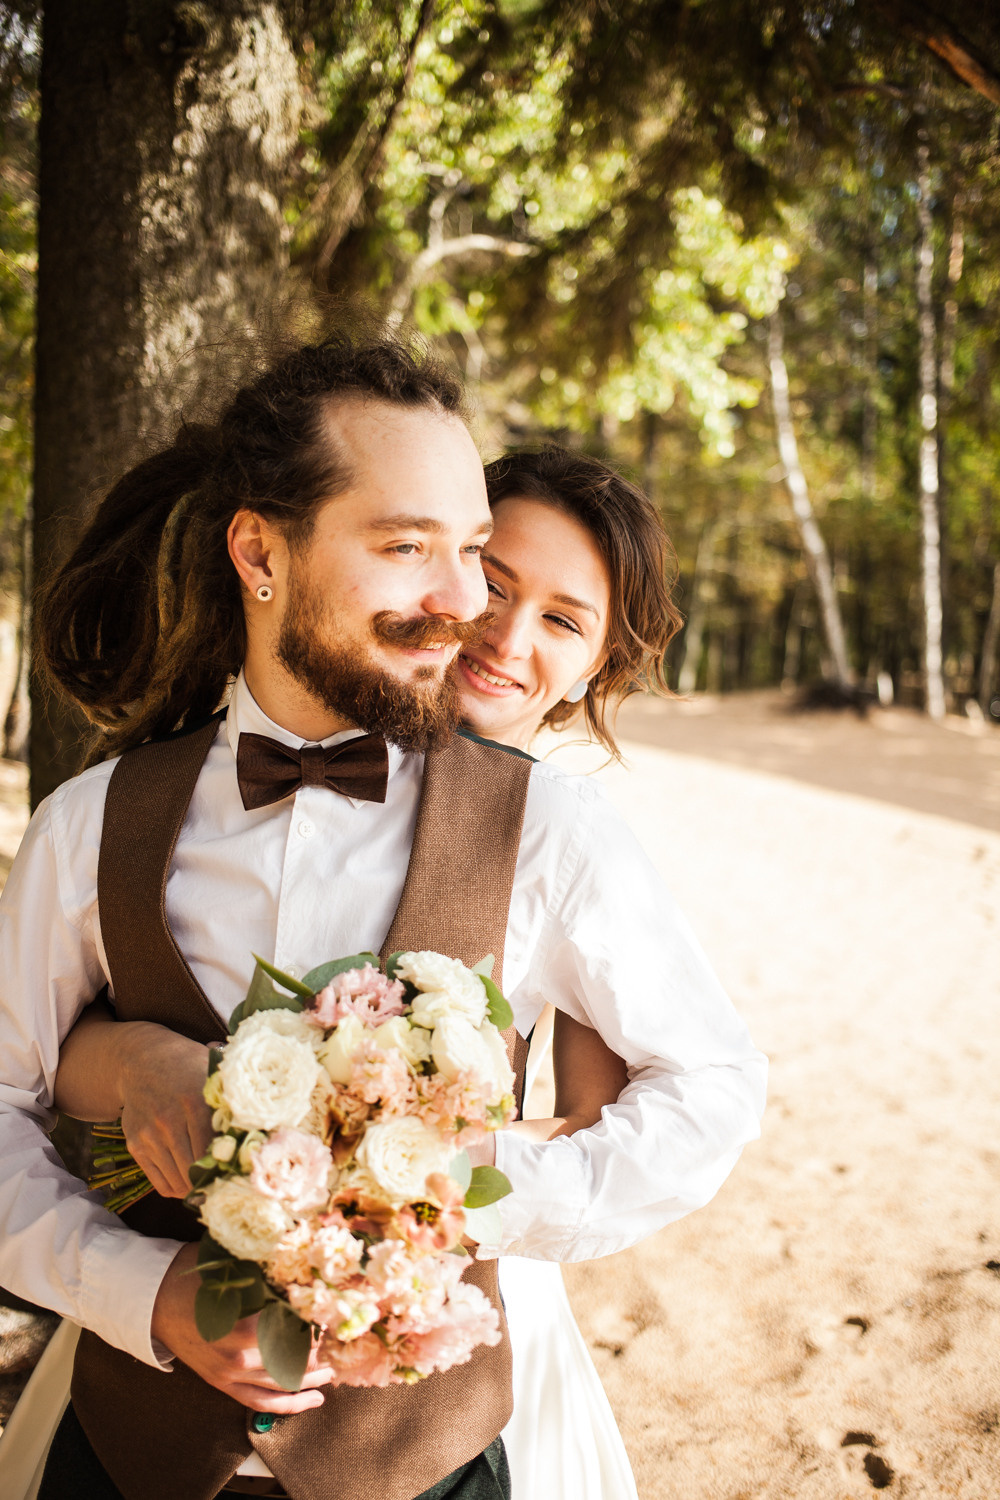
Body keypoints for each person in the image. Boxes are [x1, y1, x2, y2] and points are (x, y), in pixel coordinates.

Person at [0, 331, 766, 1500]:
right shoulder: (87, 824)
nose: (466, 604)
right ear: (258, 552)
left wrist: (481, 1188)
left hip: (434, 1458)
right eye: (413, 548)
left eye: (470, 549)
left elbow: (708, 1088)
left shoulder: (547, 831)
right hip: (122, 1452)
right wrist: (130, 1289)